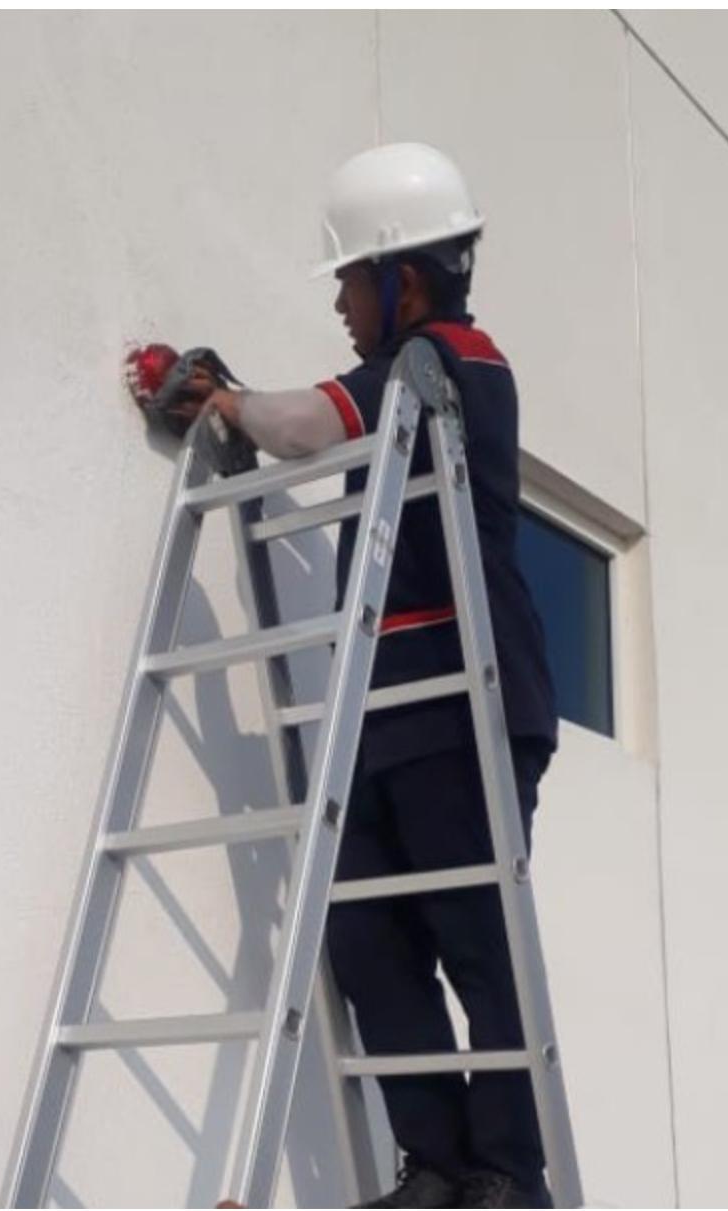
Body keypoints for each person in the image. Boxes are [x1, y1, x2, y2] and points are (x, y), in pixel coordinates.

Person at [192, 143, 560, 1209]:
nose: (344, 307)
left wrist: (230, 397)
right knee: (365, 930)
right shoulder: (404, 374)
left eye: (350, 283)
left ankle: (507, 1171)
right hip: (387, 706)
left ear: (402, 280)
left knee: (471, 932)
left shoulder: (457, 366)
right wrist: (228, 409)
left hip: (468, 699)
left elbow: (309, 424)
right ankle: (438, 1162)